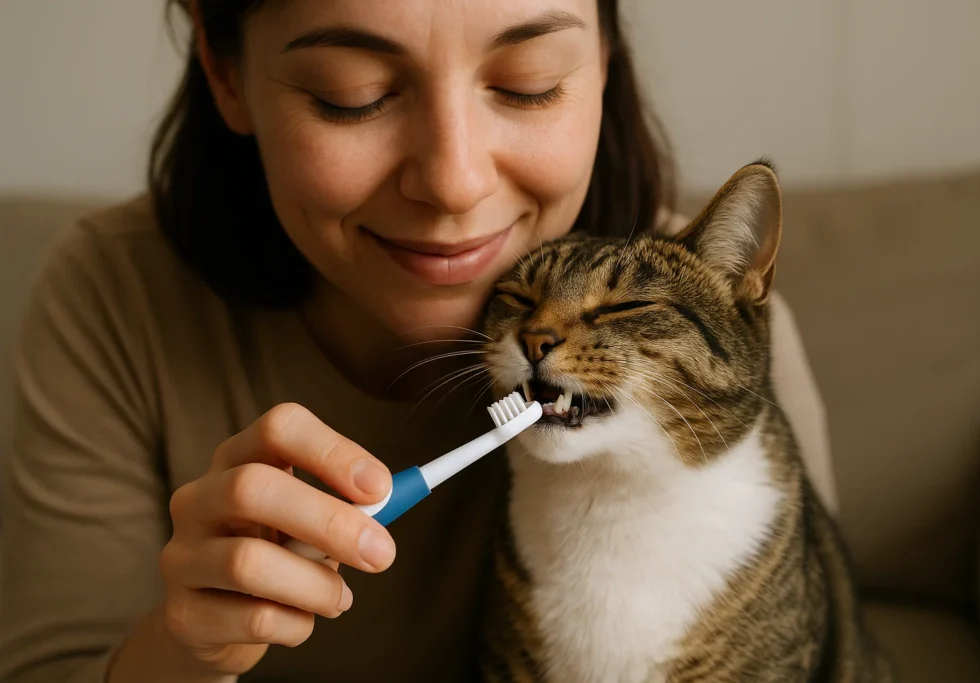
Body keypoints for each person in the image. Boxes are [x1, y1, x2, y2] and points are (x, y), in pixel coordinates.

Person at [0, 1, 836, 681]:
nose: (454, 181)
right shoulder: (112, 296)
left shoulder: (721, 332)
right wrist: (187, 655)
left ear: (605, 65)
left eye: (529, 83)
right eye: (351, 92)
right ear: (226, 72)